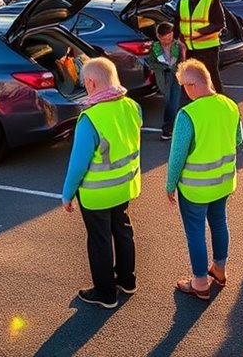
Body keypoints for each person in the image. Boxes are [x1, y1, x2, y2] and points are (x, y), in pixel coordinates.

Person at [61, 58, 142, 309]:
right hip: (126, 185)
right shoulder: (132, 106)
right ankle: (127, 280)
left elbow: (77, 166)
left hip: (97, 194)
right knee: (123, 230)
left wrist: (67, 194)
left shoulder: (90, 119)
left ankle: (106, 294)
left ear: (91, 82)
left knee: (100, 240)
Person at [167, 59, 243, 301]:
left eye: (184, 86)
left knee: (196, 232)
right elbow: (238, 139)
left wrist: (170, 185)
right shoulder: (230, 105)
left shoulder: (188, 114)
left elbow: (177, 156)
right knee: (219, 223)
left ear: (191, 85)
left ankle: (200, 283)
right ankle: (219, 269)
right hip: (223, 182)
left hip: (195, 189)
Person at [174, 0, 226, 93]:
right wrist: (177, 38)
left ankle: (219, 100)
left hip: (208, 48)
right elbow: (177, 21)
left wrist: (200, 32)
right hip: (189, 48)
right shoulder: (183, 1)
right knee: (193, 77)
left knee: (212, 77)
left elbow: (219, 23)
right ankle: (198, 100)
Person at [148, 22, 185, 141]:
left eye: (170, 36)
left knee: (175, 101)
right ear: (158, 37)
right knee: (169, 101)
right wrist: (162, 67)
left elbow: (181, 61)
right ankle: (169, 127)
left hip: (176, 75)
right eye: (164, 38)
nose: (167, 40)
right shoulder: (155, 48)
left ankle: (169, 127)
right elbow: (152, 63)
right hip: (163, 76)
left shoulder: (177, 46)